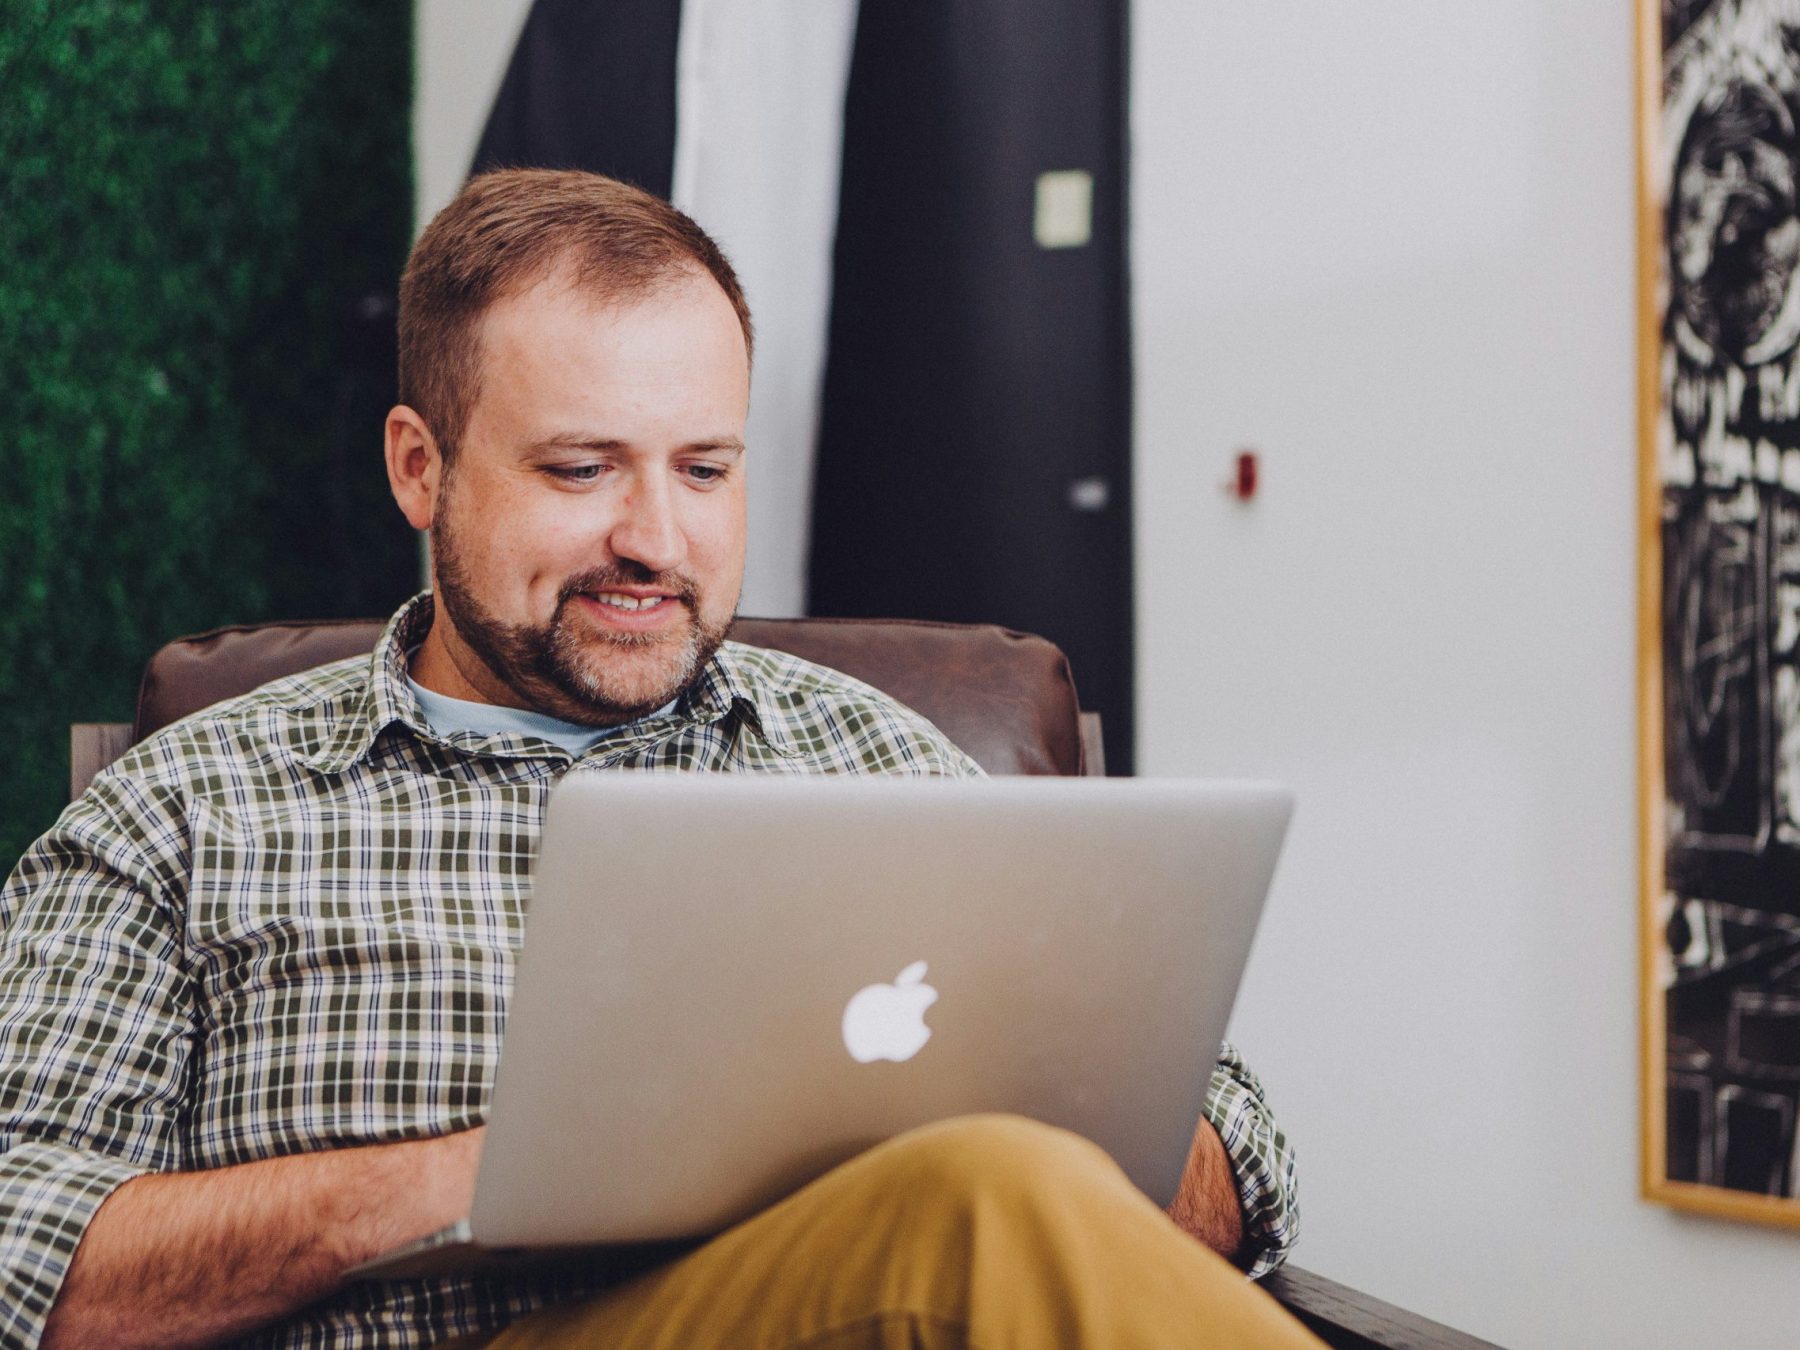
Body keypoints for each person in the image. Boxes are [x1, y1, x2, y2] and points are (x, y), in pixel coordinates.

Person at [0, 169, 1308, 1348]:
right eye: (581, 468)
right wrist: (486, 1172)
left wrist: (910, 1139)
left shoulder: (873, 760)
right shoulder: (189, 809)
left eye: (705, 467)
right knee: (988, 1201)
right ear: (420, 467)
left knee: (993, 1190)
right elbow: (19, 1241)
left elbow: (1237, 1156)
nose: (657, 536)